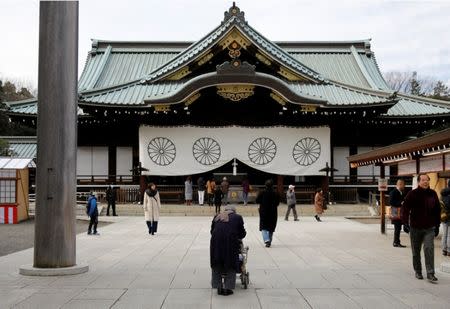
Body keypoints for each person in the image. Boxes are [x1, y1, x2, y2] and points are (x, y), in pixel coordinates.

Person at [402, 173, 441, 282]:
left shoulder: (433, 194)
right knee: (416, 251)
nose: (425, 182)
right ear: (419, 182)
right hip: (415, 228)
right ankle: (418, 271)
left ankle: (430, 273)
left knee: (429, 249)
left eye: (427, 180)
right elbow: (405, 209)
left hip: (429, 228)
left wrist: (437, 225)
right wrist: (405, 223)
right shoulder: (412, 194)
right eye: (423, 180)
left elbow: (437, 210)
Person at [210, 204, 246, 296]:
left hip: (216, 241)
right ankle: (227, 288)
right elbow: (242, 233)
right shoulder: (238, 217)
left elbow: (212, 231)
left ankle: (218, 287)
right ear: (234, 211)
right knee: (231, 261)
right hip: (230, 241)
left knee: (216, 261)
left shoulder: (217, 216)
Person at [256, 179, 280, 247]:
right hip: (273, 212)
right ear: (273, 186)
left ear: (265, 185)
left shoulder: (262, 192)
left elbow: (257, 201)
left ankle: (267, 240)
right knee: (271, 227)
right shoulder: (276, 193)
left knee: (263, 227)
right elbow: (277, 203)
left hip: (264, 211)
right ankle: (269, 240)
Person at [389, 179, 406, 247]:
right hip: (395, 211)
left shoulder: (401, 192)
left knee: (398, 227)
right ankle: (396, 242)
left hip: (399, 211)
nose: (404, 186)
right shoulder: (393, 192)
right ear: (400, 184)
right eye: (403, 184)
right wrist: (400, 203)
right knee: (397, 227)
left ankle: (397, 242)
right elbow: (391, 202)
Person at [440, 180, 450, 256]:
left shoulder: (442, 194)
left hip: (443, 216)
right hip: (449, 216)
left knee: (444, 234)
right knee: (449, 234)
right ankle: (449, 250)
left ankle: (444, 250)